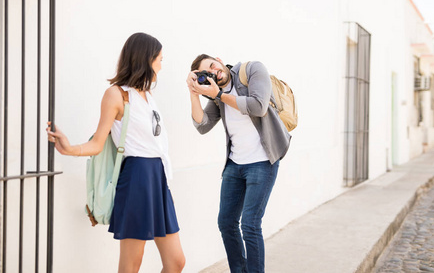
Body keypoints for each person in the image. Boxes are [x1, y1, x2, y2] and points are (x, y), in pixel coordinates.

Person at [47, 32, 185, 273]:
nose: (162, 65)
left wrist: (164, 185)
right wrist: (70, 149)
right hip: (137, 179)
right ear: (146, 58)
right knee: (132, 265)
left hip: (158, 178)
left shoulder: (148, 96)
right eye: (160, 59)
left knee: (176, 261)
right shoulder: (117, 94)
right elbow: (99, 142)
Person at [186, 55, 291, 273]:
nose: (214, 72)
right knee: (226, 223)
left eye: (213, 65)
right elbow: (203, 125)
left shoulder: (252, 70)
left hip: (262, 162)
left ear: (219, 59)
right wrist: (194, 93)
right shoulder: (216, 94)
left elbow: (258, 106)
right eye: (208, 73)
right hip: (234, 165)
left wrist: (219, 95)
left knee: (250, 225)